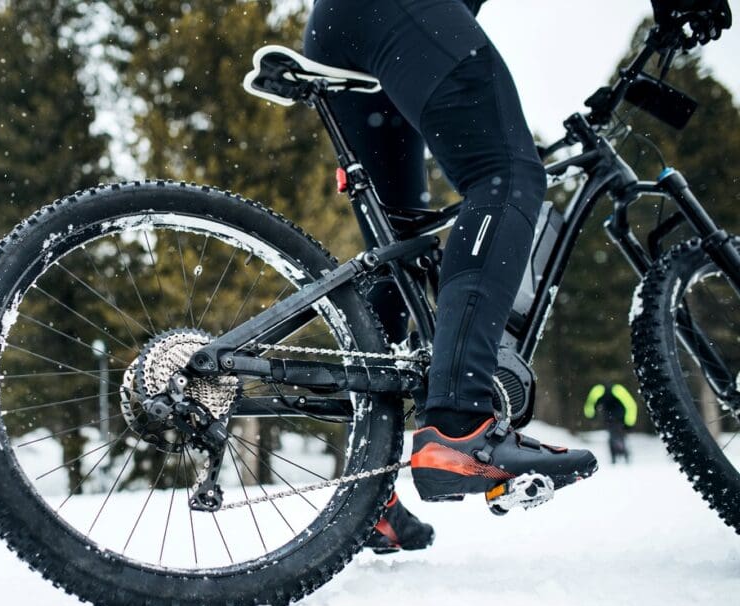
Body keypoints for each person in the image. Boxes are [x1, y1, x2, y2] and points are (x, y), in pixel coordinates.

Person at [303, 0, 728, 534]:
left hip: (345, 27)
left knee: (399, 250)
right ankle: (459, 427)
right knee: (507, 175)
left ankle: (369, 495)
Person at [584, 383, 638, 464]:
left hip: (613, 418)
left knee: (614, 435)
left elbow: (590, 404)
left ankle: (618, 455)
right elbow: (631, 405)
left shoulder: (599, 391)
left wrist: (591, 415)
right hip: (615, 418)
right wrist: (629, 423)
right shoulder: (617, 390)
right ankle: (620, 454)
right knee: (616, 435)